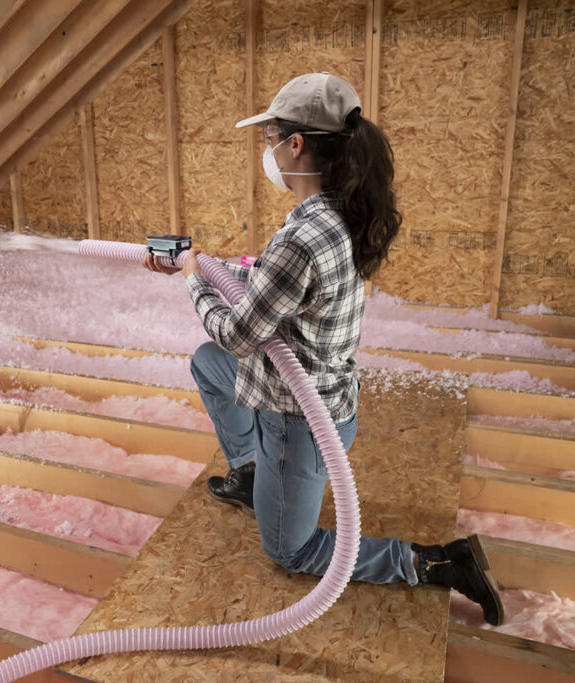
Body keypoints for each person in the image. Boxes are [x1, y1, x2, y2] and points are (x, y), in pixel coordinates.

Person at [143, 73, 503, 625]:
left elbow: (238, 333)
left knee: (291, 551)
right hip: (314, 398)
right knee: (207, 365)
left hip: (300, 423)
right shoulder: (335, 212)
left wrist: (193, 276)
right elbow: (287, 295)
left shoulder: (303, 236)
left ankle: (436, 565)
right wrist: (242, 271)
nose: (268, 152)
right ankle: (251, 474)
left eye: (271, 138)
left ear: (296, 145)